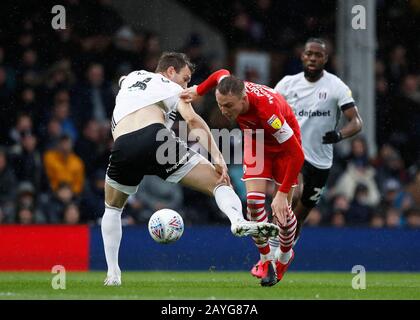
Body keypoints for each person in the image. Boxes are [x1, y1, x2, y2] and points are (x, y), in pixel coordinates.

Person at [101, 52, 279, 286]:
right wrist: (217, 157)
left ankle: (113, 275)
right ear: (171, 71)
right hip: (155, 140)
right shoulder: (174, 89)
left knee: (112, 209)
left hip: (122, 146)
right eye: (185, 78)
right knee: (219, 181)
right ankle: (237, 220)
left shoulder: (133, 77)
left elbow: (122, 79)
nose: (187, 85)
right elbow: (193, 122)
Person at [182, 70, 304, 286]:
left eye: (228, 105)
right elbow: (221, 73)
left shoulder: (269, 112)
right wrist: (199, 90)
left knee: (282, 212)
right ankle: (266, 260)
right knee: (254, 205)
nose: (223, 110)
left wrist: (282, 194)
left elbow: (297, 154)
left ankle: (285, 255)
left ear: (244, 99)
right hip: (256, 142)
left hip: (285, 149)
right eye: (220, 104)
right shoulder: (230, 86)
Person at [273, 38, 363, 244]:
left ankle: (283, 254)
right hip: (293, 152)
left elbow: (357, 121)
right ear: (302, 56)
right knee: (292, 196)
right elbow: (270, 111)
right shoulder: (287, 84)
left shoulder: (336, 86)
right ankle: (269, 249)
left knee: (301, 214)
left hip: (321, 161)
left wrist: (340, 135)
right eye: (309, 54)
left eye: (318, 55)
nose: (313, 58)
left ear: (326, 59)